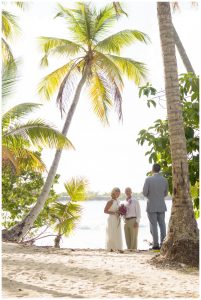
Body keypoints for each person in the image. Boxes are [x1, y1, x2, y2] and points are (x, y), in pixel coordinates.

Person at [143, 163, 169, 250]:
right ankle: (163, 243)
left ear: (152, 169)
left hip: (151, 205)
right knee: (162, 225)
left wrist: (151, 197)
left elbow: (144, 193)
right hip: (161, 205)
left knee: (153, 225)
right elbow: (165, 193)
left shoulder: (148, 179)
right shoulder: (165, 180)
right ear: (159, 170)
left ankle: (155, 245)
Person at [104, 187, 123, 251]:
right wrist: (115, 213)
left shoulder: (118, 201)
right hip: (112, 218)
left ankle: (117, 247)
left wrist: (121, 212)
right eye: (116, 192)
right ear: (113, 193)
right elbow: (105, 211)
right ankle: (111, 247)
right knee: (111, 232)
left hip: (117, 219)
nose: (117, 194)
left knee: (117, 232)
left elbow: (119, 210)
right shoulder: (110, 201)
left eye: (118, 192)